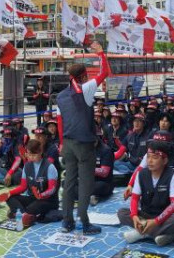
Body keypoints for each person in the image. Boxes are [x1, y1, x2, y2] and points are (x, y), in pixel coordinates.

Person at [56, 40, 110, 235]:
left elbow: (60, 122)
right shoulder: (86, 89)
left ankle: (67, 222)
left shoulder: (60, 96)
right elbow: (105, 73)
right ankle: (85, 222)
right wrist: (101, 53)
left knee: (68, 183)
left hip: (68, 144)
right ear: (83, 76)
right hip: (84, 144)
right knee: (86, 184)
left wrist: (61, 143)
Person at [117, 141, 174, 247]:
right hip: (147, 215)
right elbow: (135, 198)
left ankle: (142, 233)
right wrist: (135, 216)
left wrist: (156, 221)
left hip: (166, 217)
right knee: (122, 213)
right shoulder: (141, 174)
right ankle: (163, 234)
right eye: (148, 157)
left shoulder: (173, 176)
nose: (150, 161)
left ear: (164, 160)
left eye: (155, 157)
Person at [0, 139, 59, 227]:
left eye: (34, 154)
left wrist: (41, 195)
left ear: (41, 152)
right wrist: (9, 193)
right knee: (10, 198)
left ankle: (19, 213)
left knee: (31, 208)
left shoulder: (50, 167)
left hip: (48, 200)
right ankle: (24, 215)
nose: (31, 157)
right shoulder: (27, 166)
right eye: (29, 154)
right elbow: (23, 187)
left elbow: (52, 189)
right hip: (33, 198)